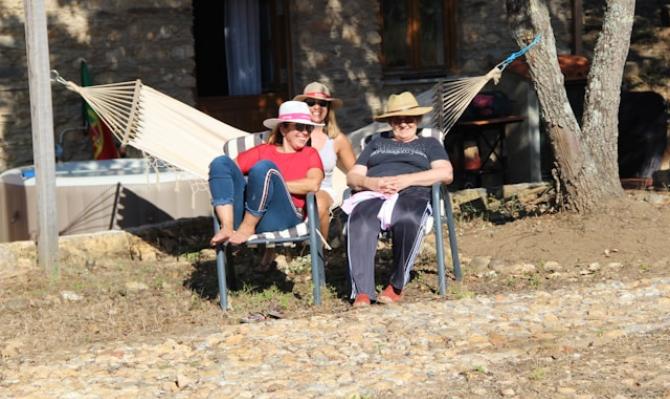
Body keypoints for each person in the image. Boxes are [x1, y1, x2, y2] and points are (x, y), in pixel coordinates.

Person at [344, 92, 454, 307]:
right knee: (360, 221)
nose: (403, 123)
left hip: (413, 190)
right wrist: (372, 183)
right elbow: (352, 177)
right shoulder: (375, 144)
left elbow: (446, 173)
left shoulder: (430, 144)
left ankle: (396, 284)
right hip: (376, 191)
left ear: (418, 120)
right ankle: (363, 290)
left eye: (409, 118)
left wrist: (407, 180)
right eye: (397, 119)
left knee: (407, 218)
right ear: (389, 122)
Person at [208, 101, 324, 246]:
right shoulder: (263, 150)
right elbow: (228, 173)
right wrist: (257, 187)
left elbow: (313, 184)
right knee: (221, 162)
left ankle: (248, 227)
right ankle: (227, 226)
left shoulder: (309, 153)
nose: (305, 132)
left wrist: (271, 185)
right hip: (244, 213)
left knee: (264, 168)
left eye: (309, 127)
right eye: (300, 127)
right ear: (283, 129)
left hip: (284, 217)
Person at [294, 82, 356, 237]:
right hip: (293, 186)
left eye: (323, 103)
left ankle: (318, 251)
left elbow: (355, 171)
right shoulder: (291, 134)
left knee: (318, 201)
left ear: (329, 109)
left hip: (323, 189)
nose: (317, 107)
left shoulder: (337, 139)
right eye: (310, 102)